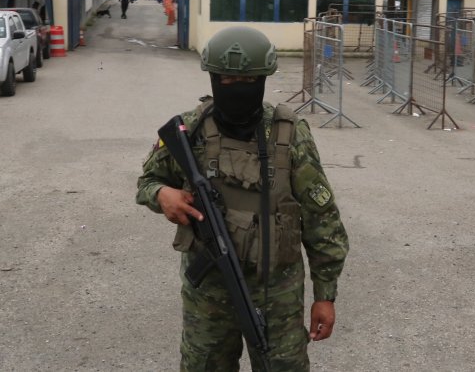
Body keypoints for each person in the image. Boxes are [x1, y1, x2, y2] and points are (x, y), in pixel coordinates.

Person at [136, 26, 349, 371]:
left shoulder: (289, 135)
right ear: (212, 79)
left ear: (263, 79)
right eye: (226, 81)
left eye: (247, 82)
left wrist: (325, 295)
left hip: (277, 293)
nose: (235, 89)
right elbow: (147, 181)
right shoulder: (188, 132)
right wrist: (162, 194)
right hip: (209, 295)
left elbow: (322, 220)